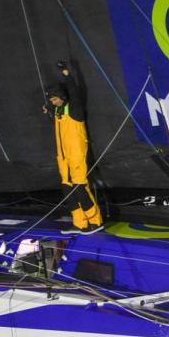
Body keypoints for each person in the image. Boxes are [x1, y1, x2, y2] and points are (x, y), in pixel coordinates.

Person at [43, 61, 104, 235]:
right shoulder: (57, 112)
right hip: (64, 158)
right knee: (67, 189)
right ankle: (80, 223)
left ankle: (95, 220)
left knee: (79, 187)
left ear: (62, 96)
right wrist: (48, 110)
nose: (53, 102)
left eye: (55, 98)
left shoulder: (74, 109)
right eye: (51, 99)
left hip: (77, 155)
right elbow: (56, 122)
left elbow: (75, 92)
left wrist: (66, 74)